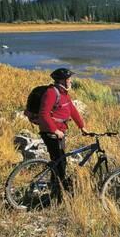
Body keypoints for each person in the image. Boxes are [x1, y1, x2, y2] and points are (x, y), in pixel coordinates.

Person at [38, 68, 88, 198]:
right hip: (51, 133)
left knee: (60, 162)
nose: (71, 81)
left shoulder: (64, 93)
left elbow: (72, 109)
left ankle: (56, 189)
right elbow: (44, 114)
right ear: (62, 80)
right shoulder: (51, 93)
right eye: (69, 79)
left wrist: (81, 126)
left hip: (59, 132)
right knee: (59, 164)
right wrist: (55, 130)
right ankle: (57, 195)